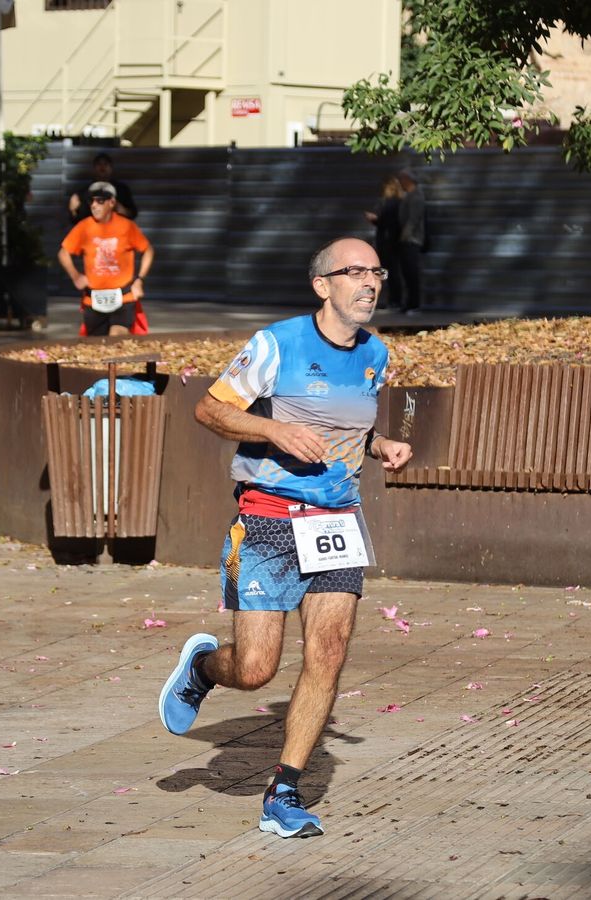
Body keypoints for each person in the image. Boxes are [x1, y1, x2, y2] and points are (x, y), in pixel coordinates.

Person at [158, 237, 413, 839]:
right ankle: (201, 668)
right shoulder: (278, 344)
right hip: (269, 516)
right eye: (353, 272)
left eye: (375, 271)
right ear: (322, 285)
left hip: (337, 520)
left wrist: (381, 447)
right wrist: (275, 430)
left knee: (328, 652)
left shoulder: (376, 353)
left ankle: (284, 790)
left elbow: (349, 431)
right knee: (255, 669)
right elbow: (211, 410)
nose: (369, 282)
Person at [58, 181, 154, 337]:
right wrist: (75, 276)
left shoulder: (126, 226)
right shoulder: (84, 227)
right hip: (94, 300)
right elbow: (63, 252)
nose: (94, 206)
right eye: (91, 201)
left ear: (112, 202)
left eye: (100, 201)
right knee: (98, 349)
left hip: (123, 298)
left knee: (116, 338)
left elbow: (148, 250)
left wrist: (140, 280)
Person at [363, 175, 403, 311]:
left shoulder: (392, 203)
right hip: (390, 242)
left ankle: (394, 302)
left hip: (389, 242)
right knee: (390, 273)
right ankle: (393, 302)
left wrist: (375, 219)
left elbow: (388, 223)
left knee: (390, 273)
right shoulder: (396, 202)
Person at [67, 152, 138, 222]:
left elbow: (133, 214)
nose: (102, 167)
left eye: (105, 164)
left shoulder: (122, 190)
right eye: (99, 164)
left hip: (116, 231)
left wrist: (123, 210)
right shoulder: (84, 192)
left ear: (111, 168)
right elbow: (78, 221)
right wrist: (73, 211)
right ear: (94, 168)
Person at [395, 169, 427, 314]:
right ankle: (408, 303)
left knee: (412, 273)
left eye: (401, 180)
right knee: (407, 273)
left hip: (412, 240)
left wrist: (405, 236)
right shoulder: (409, 196)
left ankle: (414, 305)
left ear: (407, 180)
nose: (400, 183)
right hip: (407, 240)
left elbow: (413, 220)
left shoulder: (416, 196)